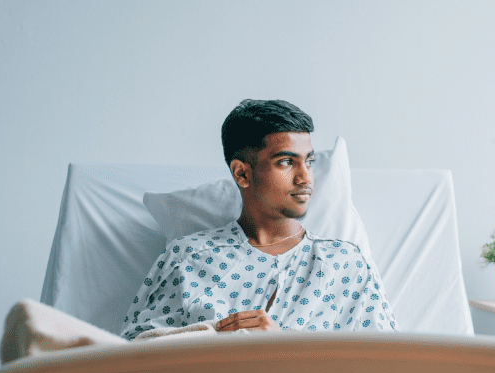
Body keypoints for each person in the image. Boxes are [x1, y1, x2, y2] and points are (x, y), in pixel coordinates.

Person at [121, 99, 398, 339]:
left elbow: (389, 365)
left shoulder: (345, 263)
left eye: (309, 161)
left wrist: (285, 347)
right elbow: (134, 353)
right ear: (242, 174)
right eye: (287, 162)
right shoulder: (187, 258)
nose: (305, 178)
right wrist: (218, 339)